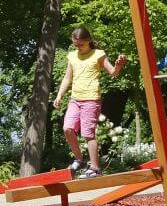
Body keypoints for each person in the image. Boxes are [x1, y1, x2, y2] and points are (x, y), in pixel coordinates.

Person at [52, 26, 127, 179]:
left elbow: (113, 72)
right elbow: (67, 78)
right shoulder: (72, 56)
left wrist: (119, 64)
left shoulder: (98, 54)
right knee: (67, 128)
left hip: (91, 99)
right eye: (75, 44)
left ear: (88, 41)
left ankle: (95, 168)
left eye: (80, 44)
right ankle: (79, 160)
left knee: (87, 134)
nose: (78, 47)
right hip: (75, 99)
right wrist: (59, 95)